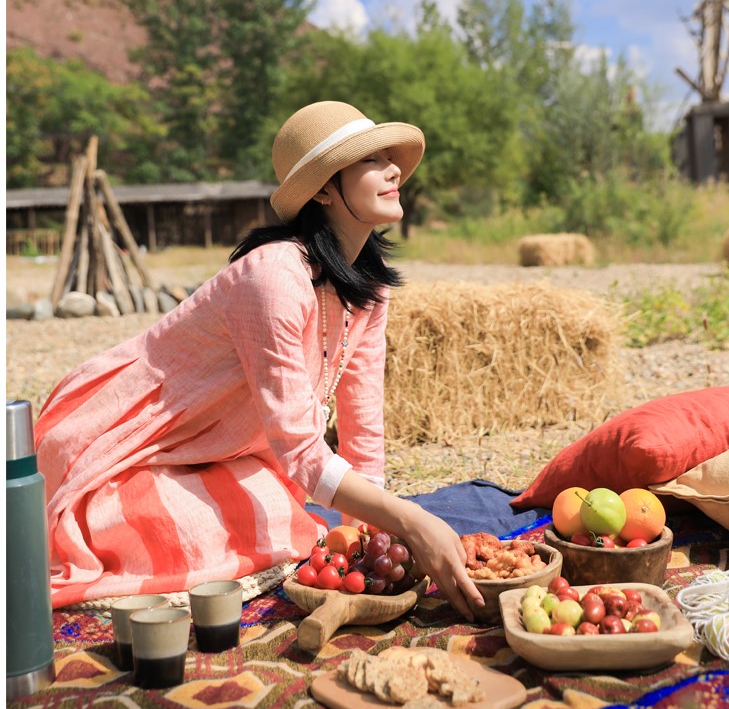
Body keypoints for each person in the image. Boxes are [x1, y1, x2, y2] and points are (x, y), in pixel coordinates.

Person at [35, 101, 484, 619]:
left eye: (391, 157)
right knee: (203, 531)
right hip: (117, 440)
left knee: (276, 513)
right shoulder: (273, 277)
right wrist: (412, 521)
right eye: (369, 160)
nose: (394, 170)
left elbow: (364, 425)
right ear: (322, 189)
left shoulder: (370, 287)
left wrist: (371, 528)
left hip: (212, 448)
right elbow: (298, 448)